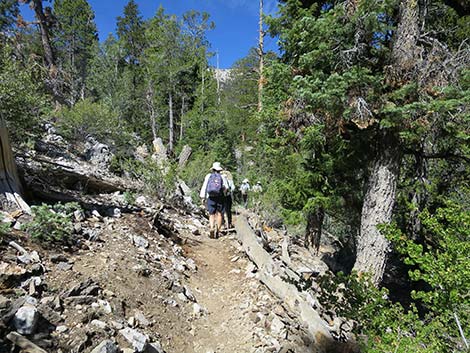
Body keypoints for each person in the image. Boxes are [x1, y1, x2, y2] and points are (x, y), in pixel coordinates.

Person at [200, 162, 229, 238]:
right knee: (220, 214)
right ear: (220, 169)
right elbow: (226, 187)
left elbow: (205, 186)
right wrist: (224, 192)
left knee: (211, 214)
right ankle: (218, 231)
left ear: (212, 169)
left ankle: (212, 227)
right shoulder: (222, 177)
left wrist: (203, 197)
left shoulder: (208, 176)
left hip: (211, 197)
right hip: (220, 197)